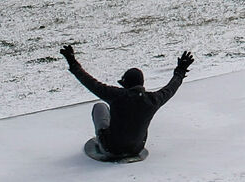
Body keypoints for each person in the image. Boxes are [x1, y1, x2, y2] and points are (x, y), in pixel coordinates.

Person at [61, 44, 192, 159]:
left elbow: (91, 83)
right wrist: (180, 70)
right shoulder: (153, 100)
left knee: (100, 107)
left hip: (111, 149)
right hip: (136, 149)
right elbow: (171, 88)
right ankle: (130, 142)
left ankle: (103, 140)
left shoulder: (117, 96)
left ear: (126, 84)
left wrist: (72, 62)